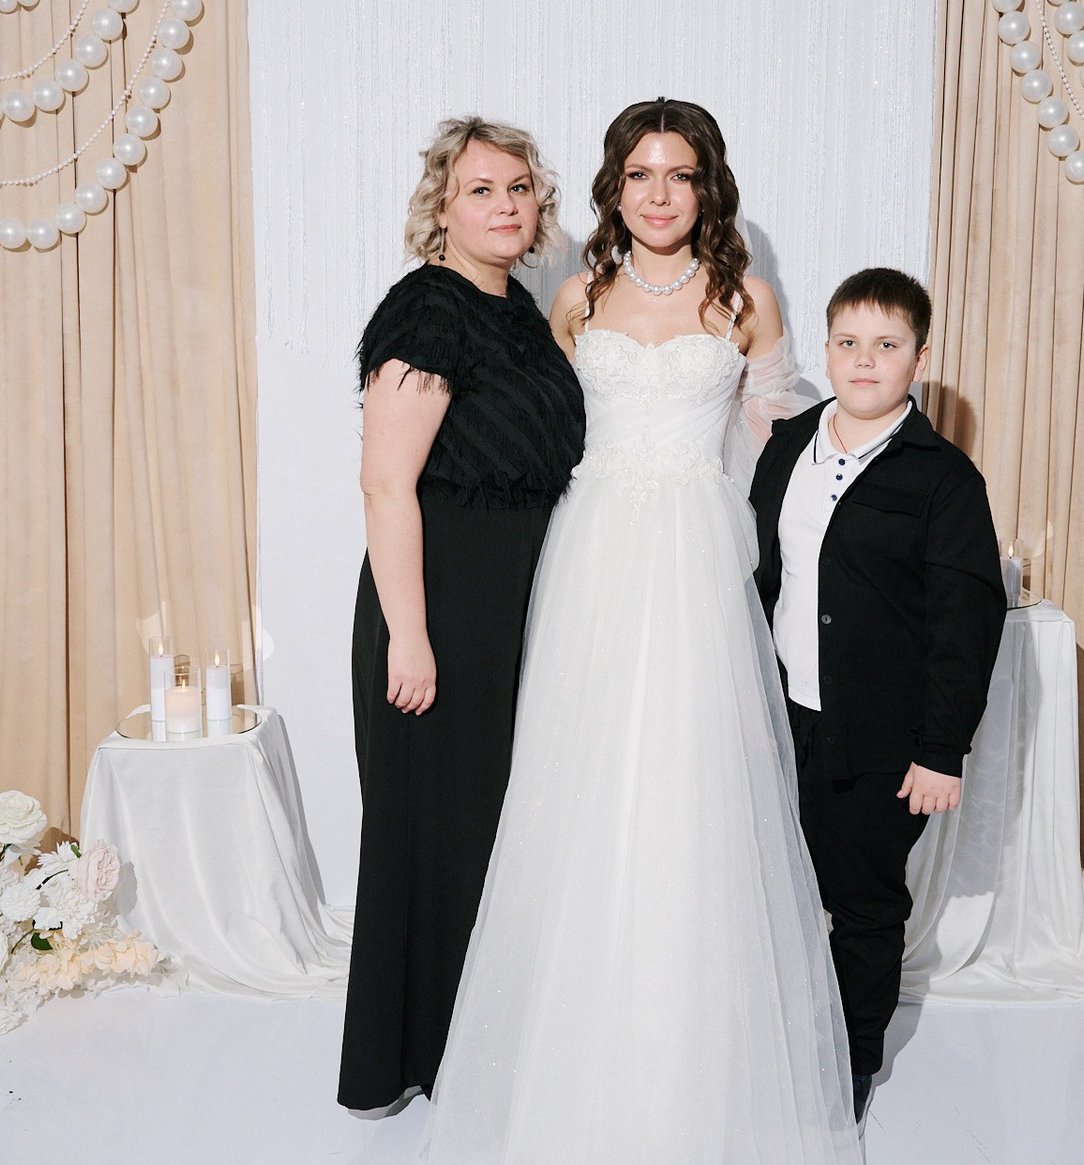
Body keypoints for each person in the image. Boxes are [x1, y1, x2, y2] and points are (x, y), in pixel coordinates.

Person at [426, 99, 860, 1163]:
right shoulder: (575, 296)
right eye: (639, 175)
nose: (659, 195)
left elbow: (777, 449)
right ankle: (574, 1050)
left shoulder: (746, 300)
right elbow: (540, 426)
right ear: (613, 188)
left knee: (693, 784)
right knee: (577, 781)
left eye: (680, 175)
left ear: (708, 187)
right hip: (593, 555)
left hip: (698, 559)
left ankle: (695, 1056)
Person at [338, 118, 586, 1113]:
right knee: (432, 835)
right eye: (482, 189)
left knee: (489, 830)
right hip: (438, 601)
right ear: (442, 206)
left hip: (511, 601)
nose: (506, 206)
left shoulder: (518, 308)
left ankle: (480, 1045)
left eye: (520, 188)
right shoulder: (428, 307)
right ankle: (419, 1061)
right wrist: (409, 634)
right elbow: (385, 483)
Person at [748, 268, 1006, 1121]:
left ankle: (851, 1060)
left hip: (881, 737)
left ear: (918, 360)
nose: (864, 360)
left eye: (886, 345)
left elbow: (965, 627)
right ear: (826, 351)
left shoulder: (945, 480)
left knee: (862, 901)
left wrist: (940, 751)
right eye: (849, 343)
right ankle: (784, 1033)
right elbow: (763, 576)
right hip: (784, 718)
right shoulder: (788, 444)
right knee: (778, 887)